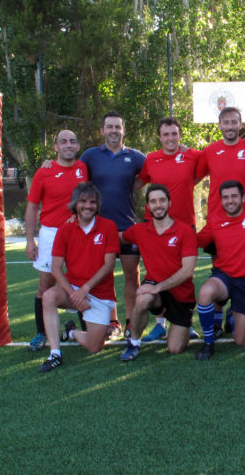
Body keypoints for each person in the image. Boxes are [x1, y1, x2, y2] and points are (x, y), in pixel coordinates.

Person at [195, 107, 245, 340]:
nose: (230, 126)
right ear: (219, 126)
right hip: (218, 221)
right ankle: (215, 323)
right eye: (225, 122)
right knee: (219, 269)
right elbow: (193, 177)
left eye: (234, 122)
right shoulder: (210, 151)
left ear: (240, 124)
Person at [38, 182, 119, 373]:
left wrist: (84, 290)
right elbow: (56, 268)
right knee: (48, 296)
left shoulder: (108, 227)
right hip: (72, 290)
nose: (87, 206)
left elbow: (109, 265)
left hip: (98, 293)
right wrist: (74, 293)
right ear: (75, 204)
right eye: (83, 201)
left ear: (97, 205)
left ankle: (71, 331)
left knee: (95, 348)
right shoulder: (65, 229)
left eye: (92, 202)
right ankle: (55, 354)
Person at [79, 111, 146, 340]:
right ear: (102, 130)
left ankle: (130, 322)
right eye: (110, 127)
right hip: (99, 228)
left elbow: (151, 173)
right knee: (103, 277)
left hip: (127, 227)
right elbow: (73, 174)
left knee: (132, 276)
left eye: (118, 127)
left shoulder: (135, 157)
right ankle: (112, 322)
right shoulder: (90, 156)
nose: (114, 131)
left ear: (123, 130)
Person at [137, 117, 203, 343]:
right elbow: (140, 182)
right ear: (159, 137)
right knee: (157, 272)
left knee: (187, 275)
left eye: (174, 133)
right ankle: (160, 324)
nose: (170, 138)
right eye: (166, 134)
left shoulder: (192, 156)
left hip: (184, 225)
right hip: (156, 227)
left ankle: (187, 323)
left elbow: (200, 174)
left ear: (180, 135)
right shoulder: (151, 159)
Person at [23, 129, 88, 352]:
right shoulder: (44, 172)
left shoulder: (83, 168)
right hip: (51, 235)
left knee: (81, 280)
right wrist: (30, 240)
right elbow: (32, 207)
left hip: (78, 234)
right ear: (55, 147)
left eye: (72, 141)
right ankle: (41, 333)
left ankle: (85, 328)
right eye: (63, 142)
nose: (68, 145)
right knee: (45, 285)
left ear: (78, 146)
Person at [117, 184, 198, 361]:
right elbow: (116, 236)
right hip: (156, 293)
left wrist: (158, 286)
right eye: (153, 201)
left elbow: (188, 270)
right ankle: (134, 344)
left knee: (175, 348)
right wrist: (80, 221)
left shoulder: (185, 231)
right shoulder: (140, 230)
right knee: (142, 297)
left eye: (162, 200)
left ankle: (182, 325)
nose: (158, 205)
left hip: (182, 296)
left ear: (169, 203)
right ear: (148, 206)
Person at [194, 180, 245, 360]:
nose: (230, 201)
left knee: (240, 341)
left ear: (243, 198)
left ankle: (232, 315)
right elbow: (198, 241)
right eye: (226, 197)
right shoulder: (215, 221)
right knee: (205, 292)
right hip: (224, 277)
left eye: (234, 196)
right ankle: (208, 343)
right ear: (221, 200)